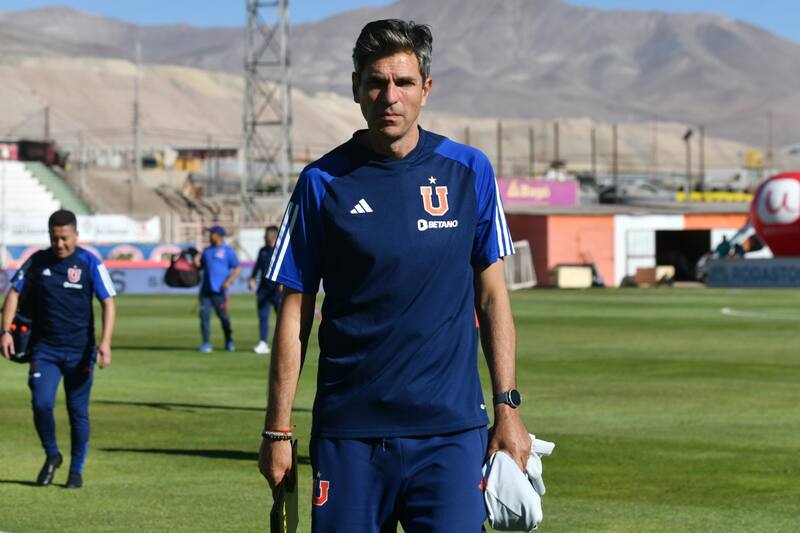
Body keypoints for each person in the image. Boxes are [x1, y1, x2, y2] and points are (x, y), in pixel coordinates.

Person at [258, 19, 530, 532]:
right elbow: (294, 313)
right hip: (350, 435)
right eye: (376, 82)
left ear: (426, 89)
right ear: (356, 87)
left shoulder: (469, 170)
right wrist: (277, 431)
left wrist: (508, 407)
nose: (390, 96)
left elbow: (493, 296)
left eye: (403, 83)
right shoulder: (321, 182)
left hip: (451, 433)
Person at [1, 209, 116, 489]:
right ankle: (53, 454)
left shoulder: (89, 263)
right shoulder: (38, 261)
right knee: (41, 404)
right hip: (45, 350)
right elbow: (14, 292)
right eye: (55, 239)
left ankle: (76, 471)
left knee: (77, 412)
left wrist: (105, 342)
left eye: (65, 238)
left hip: (80, 352)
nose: (60, 244)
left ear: (76, 235)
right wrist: (5, 331)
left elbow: (108, 303)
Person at [196, 225, 240, 352]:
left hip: (220, 292)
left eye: (212, 233)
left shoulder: (228, 251)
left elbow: (237, 268)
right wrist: (196, 262)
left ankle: (229, 340)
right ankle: (206, 343)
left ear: (218, 235)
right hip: (205, 291)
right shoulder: (206, 251)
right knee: (204, 317)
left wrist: (228, 282)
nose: (209, 236)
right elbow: (201, 267)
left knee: (223, 318)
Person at [248, 225, 282, 354]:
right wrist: (251, 279)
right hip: (263, 290)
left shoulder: (280, 250)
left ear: (272, 236)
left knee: (282, 318)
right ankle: (263, 342)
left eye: (266, 235)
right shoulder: (262, 250)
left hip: (277, 290)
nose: (264, 237)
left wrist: (283, 284)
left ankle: (282, 343)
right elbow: (257, 267)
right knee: (263, 317)